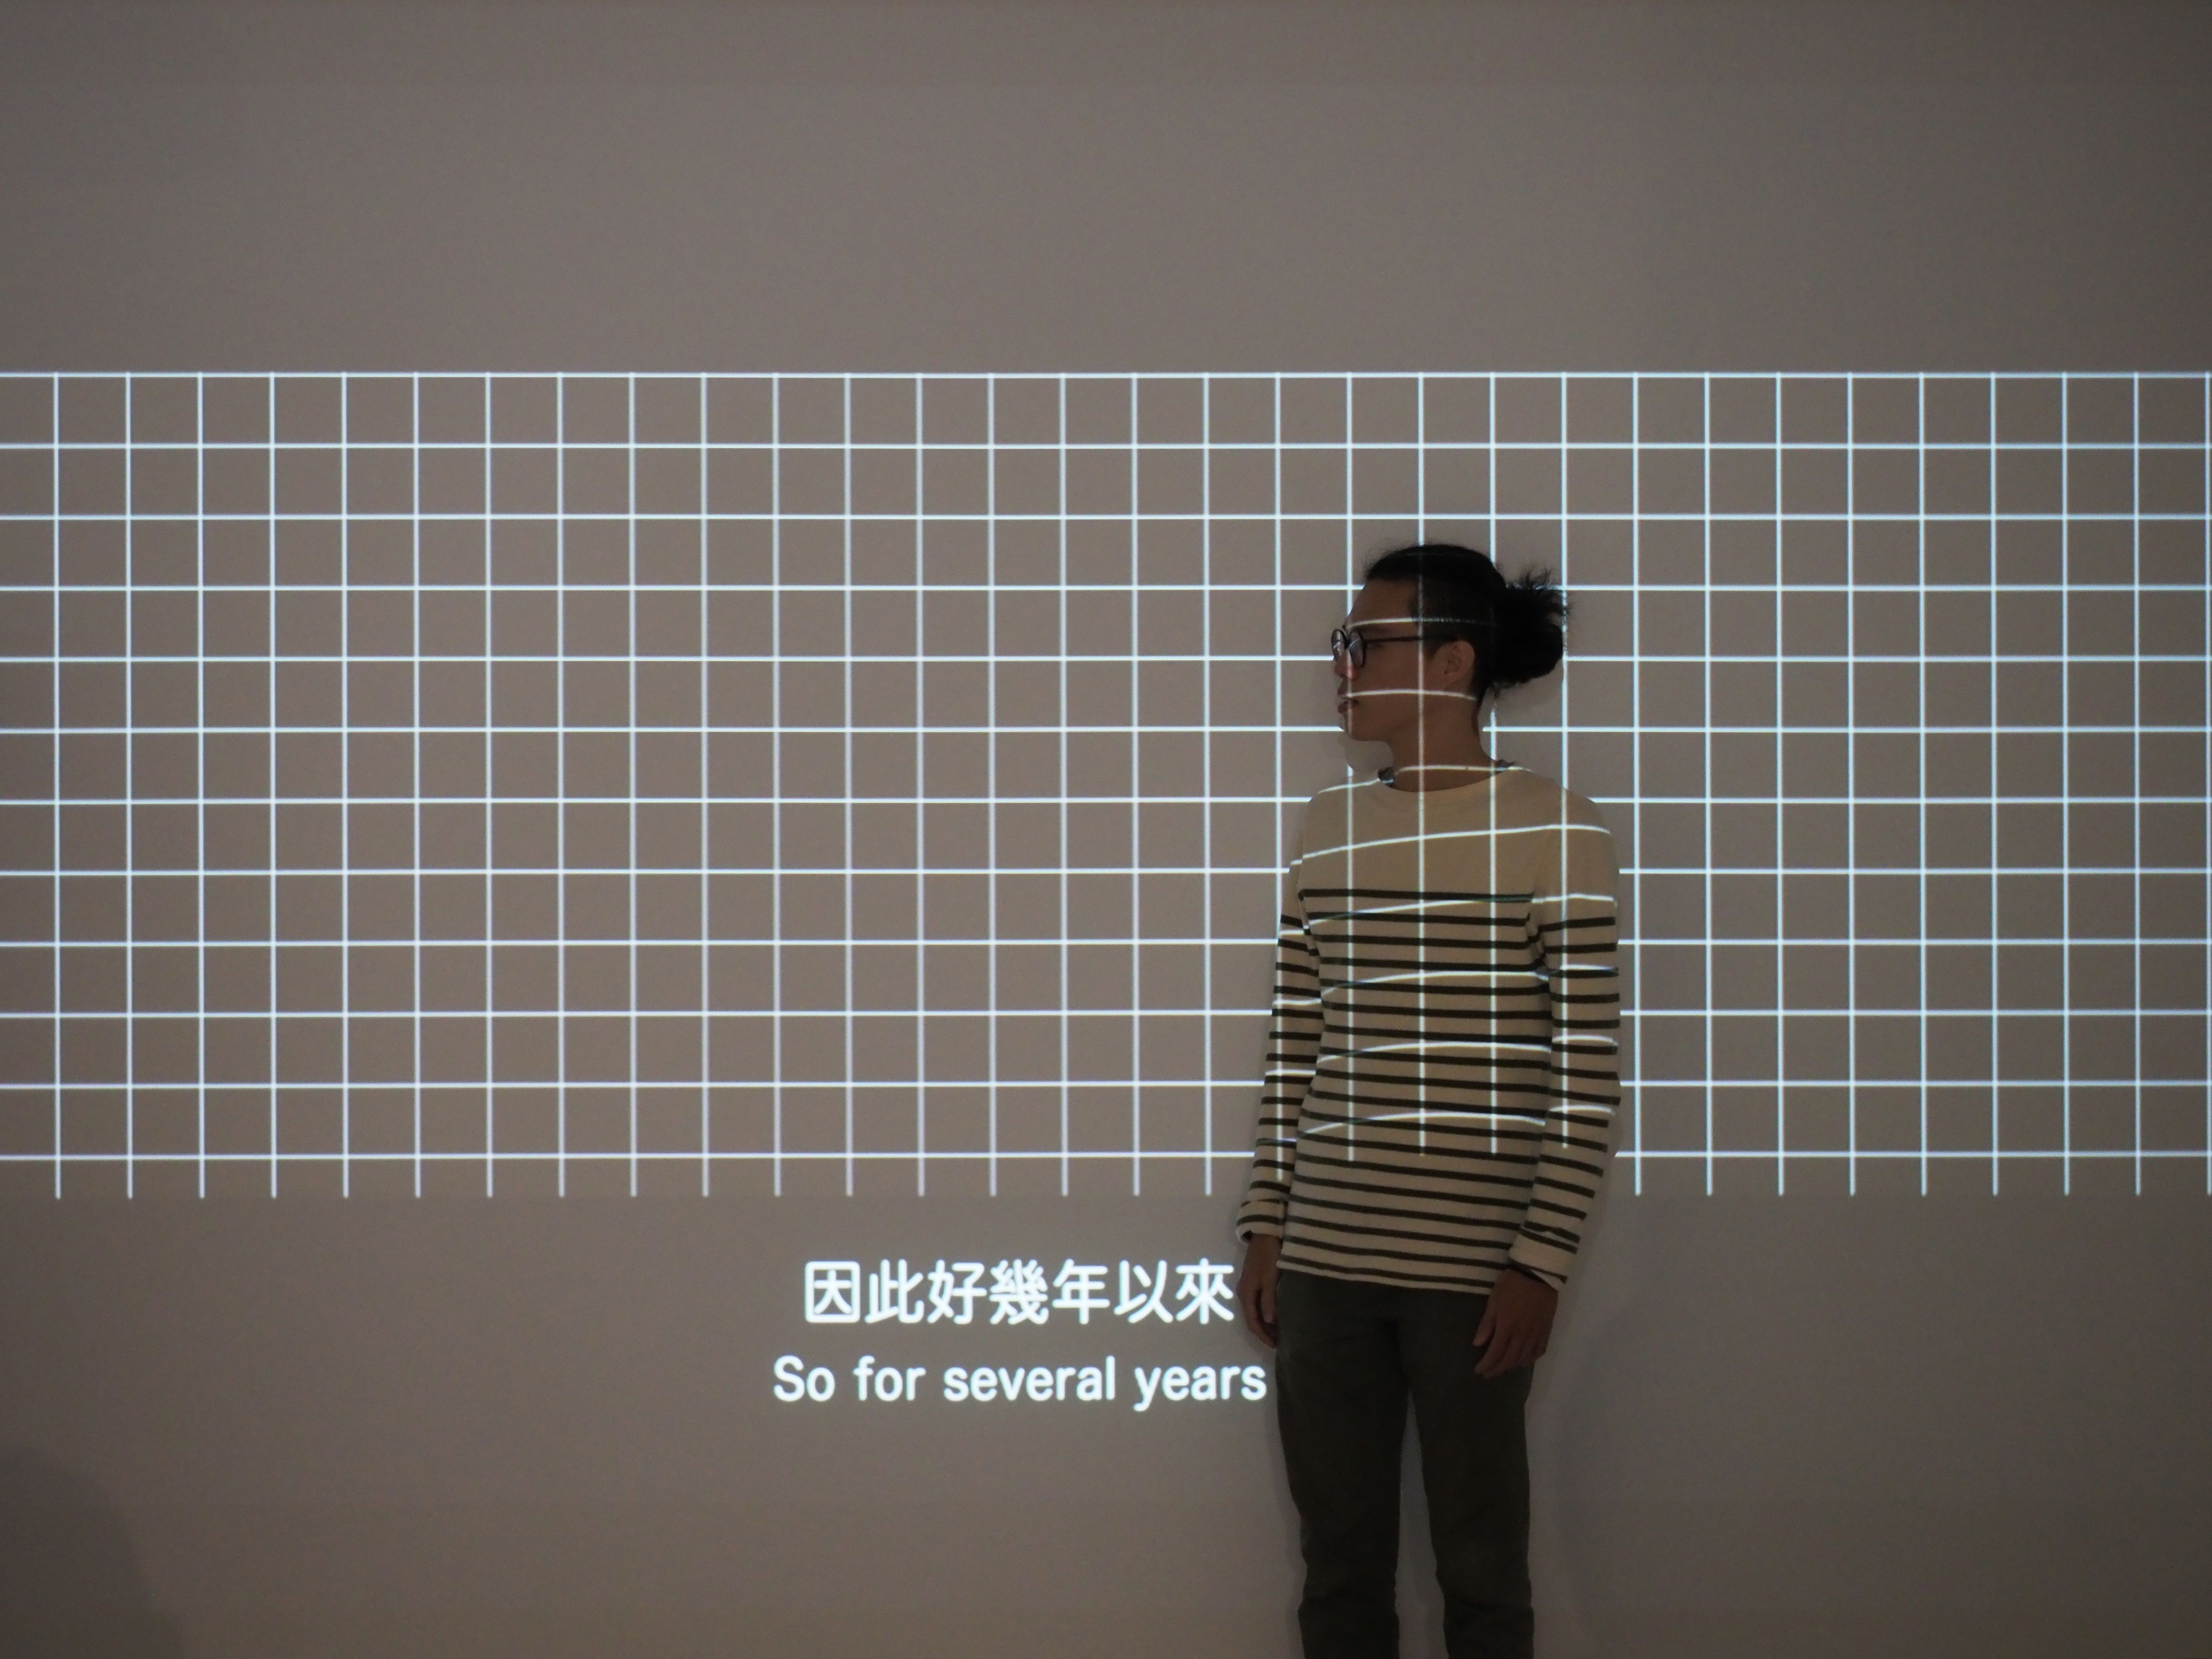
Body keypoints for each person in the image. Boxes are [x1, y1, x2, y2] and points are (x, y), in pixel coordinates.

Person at [1234, 543, 1620, 1659]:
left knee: (1483, 1572)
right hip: (1325, 1265)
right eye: (1344, 645)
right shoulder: (1329, 824)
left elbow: (1586, 1068)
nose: (1342, 668)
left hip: (1474, 1277)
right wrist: (1267, 1223)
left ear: (1452, 663)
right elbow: (1297, 1043)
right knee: (1338, 1572)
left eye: (1365, 643)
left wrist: (1540, 1262)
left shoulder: (1556, 828)